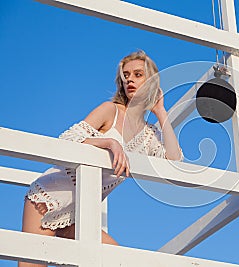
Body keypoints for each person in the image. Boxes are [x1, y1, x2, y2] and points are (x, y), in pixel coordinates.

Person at [19, 50, 183, 267]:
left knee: (117, 262)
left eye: (137, 74)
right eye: (126, 76)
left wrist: (161, 112)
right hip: (48, 197)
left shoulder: (148, 135)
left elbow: (174, 161)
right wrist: (108, 143)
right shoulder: (110, 111)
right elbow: (67, 140)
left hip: (79, 213)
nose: (130, 80)